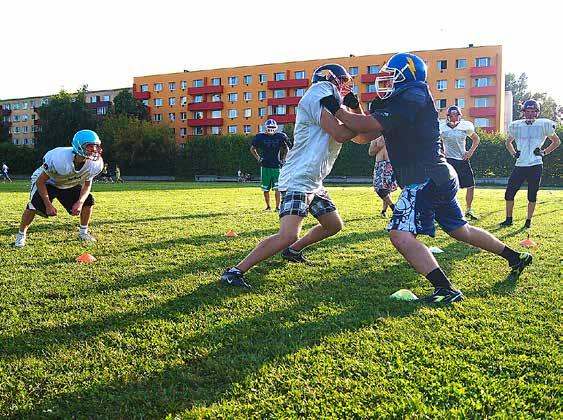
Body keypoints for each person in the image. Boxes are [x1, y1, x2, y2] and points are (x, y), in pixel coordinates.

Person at [324, 52, 533, 303]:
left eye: (393, 77)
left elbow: (363, 126)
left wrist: (336, 107)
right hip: (437, 175)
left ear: (408, 77)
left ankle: (446, 289)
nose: (387, 82)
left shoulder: (415, 93)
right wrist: (351, 105)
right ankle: (514, 257)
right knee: (461, 230)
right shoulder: (401, 100)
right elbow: (362, 135)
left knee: (400, 235)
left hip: (424, 177)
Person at [221, 63, 368, 288]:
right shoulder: (318, 93)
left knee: (333, 225)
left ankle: (293, 251)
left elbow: (360, 137)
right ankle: (235, 271)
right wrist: (370, 122)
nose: (346, 87)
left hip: (313, 181)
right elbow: (342, 133)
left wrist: (357, 111)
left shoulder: (334, 102)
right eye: (342, 81)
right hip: (299, 178)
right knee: (288, 234)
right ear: (330, 79)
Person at [14, 129, 104, 247]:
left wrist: (80, 203)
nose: (94, 150)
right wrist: (48, 205)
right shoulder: (59, 159)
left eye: (96, 146)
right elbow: (40, 182)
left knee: (88, 201)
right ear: (78, 146)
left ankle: (83, 233)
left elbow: (87, 185)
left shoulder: (95, 164)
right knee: (33, 206)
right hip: (49, 182)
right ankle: (21, 235)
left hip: (67, 183)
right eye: (90, 147)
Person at [501, 99, 560, 228]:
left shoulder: (544, 124)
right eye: (527, 111)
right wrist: (513, 153)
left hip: (535, 164)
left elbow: (556, 142)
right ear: (523, 112)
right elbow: (508, 142)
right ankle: (508, 219)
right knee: (509, 193)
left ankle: (528, 221)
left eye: (533, 111)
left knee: (532, 195)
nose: (530, 114)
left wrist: (544, 152)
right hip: (520, 165)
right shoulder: (516, 125)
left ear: (537, 112)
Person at [439, 105, 480, 220]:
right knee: (449, 187)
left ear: (460, 115)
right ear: (447, 116)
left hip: (462, 159)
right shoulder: (442, 128)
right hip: (449, 161)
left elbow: (476, 139)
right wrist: (441, 152)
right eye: (451, 115)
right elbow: (434, 142)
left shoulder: (465, 126)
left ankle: (468, 210)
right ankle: (448, 210)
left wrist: (470, 152)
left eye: (456, 115)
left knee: (470, 185)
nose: (453, 117)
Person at [250, 119, 290, 211]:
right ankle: (268, 206)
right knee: (265, 189)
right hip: (265, 166)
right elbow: (252, 148)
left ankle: (277, 207)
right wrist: (258, 158)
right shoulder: (260, 137)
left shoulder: (280, 136)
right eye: (269, 127)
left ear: (275, 128)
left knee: (277, 188)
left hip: (276, 166)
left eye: (272, 127)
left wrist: (284, 159)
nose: (271, 129)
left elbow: (287, 148)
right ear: (266, 128)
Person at [369, 136, 397, 217]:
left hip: (390, 164)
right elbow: (370, 152)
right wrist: (379, 147)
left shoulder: (394, 135)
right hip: (379, 165)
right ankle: (393, 208)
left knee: (387, 189)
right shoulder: (375, 136)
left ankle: (383, 211)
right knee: (379, 189)